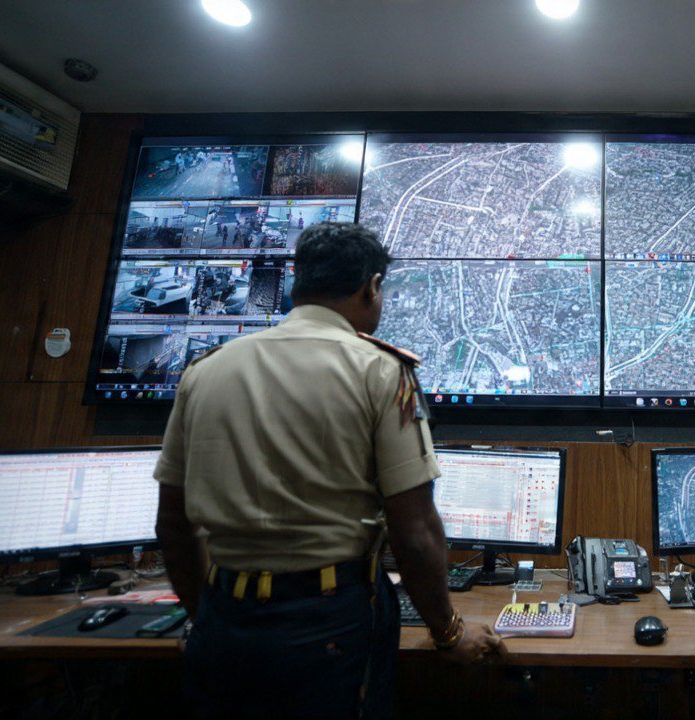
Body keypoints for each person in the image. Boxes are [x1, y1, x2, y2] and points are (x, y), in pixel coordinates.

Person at [155, 222, 507, 719]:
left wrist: (205, 619)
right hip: (329, 621)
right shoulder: (382, 371)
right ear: (373, 287)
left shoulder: (205, 371)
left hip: (224, 619)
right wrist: (448, 633)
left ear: (298, 283)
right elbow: (415, 531)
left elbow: (172, 524)